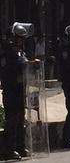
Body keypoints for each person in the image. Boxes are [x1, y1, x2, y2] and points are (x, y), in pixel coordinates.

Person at [0, 22, 35, 160]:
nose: (21, 41)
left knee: (21, 120)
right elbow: (7, 74)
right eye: (19, 38)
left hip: (21, 92)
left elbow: (25, 66)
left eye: (22, 39)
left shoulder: (21, 53)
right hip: (11, 92)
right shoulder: (6, 55)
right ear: (12, 39)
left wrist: (32, 65)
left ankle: (21, 147)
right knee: (12, 121)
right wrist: (19, 75)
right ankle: (10, 149)